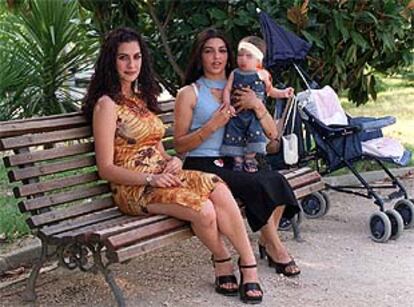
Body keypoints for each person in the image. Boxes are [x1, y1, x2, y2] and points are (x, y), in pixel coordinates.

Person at [82, 27, 263, 304]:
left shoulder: (141, 99)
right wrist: (151, 180)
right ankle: (222, 259)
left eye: (137, 57)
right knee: (203, 209)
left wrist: (173, 160)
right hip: (135, 188)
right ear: (111, 61)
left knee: (218, 187)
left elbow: (155, 146)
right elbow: (106, 168)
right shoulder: (107, 105)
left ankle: (248, 266)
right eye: (123, 58)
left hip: (163, 177)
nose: (132, 65)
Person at [174, 28, 301, 277]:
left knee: (275, 179)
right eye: (208, 51)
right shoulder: (190, 93)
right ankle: (276, 248)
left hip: (235, 159)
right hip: (202, 163)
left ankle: (266, 241)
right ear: (199, 56)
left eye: (222, 51)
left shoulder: (246, 83)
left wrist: (257, 105)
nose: (216, 57)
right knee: (254, 184)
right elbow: (179, 145)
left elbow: (272, 136)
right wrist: (212, 125)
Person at [221, 36, 294, 173]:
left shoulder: (263, 75)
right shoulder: (234, 74)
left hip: (254, 116)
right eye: (240, 55)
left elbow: (270, 91)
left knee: (255, 135)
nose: (243, 59)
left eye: (249, 56)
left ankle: (249, 159)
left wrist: (283, 93)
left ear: (258, 60)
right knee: (235, 134)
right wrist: (227, 103)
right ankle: (238, 161)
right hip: (237, 113)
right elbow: (227, 89)